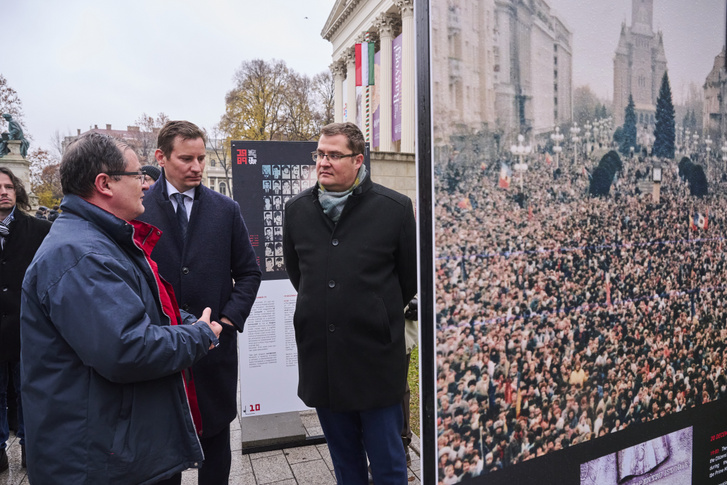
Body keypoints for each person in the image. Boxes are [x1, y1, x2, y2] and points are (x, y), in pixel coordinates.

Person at [20, 133, 224, 484]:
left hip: (111, 447)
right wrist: (199, 336)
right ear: (105, 184)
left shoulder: (99, 241)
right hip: (97, 459)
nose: (146, 184)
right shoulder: (81, 254)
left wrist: (184, 321)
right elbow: (128, 348)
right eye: (136, 176)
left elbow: (139, 314)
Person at [283, 122, 417, 484]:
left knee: (388, 463)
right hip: (323, 358)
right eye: (320, 154)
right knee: (345, 463)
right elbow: (301, 276)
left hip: (374, 359)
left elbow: (407, 280)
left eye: (334, 155)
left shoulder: (395, 208)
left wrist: (371, 310)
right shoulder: (296, 210)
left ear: (358, 160)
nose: (323, 162)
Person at [138, 120, 261, 485]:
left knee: (216, 453)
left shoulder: (226, 210)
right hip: (160, 353)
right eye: (186, 159)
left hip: (214, 353)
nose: (196, 167)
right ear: (161, 157)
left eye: (201, 159)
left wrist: (226, 322)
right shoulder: (139, 209)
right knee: (164, 459)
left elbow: (249, 274)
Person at [0, 167, 51, 472]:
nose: (3, 191)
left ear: (17, 191)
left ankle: (33, 448)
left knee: (29, 392)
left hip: (27, 328)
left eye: (8, 186)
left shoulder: (40, 230)